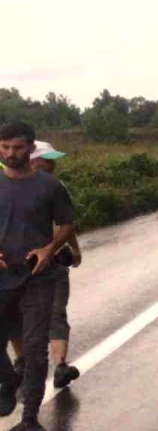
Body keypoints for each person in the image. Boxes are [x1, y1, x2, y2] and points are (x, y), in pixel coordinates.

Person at [0, 122, 77, 431]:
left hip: (37, 276)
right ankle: (7, 382)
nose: (10, 154)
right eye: (4, 147)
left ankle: (30, 416)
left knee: (34, 349)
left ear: (31, 148)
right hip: (2, 276)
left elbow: (68, 223)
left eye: (17, 147)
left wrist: (50, 249)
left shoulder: (50, 186)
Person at [8, 141, 81, 392]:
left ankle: (60, 365)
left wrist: (72, 247)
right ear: (31, 158)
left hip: (51, 261)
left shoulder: (54, 187)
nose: (52, 164)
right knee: (14, 316)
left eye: (53, 160)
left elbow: (66, 223)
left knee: (56, 312)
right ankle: (21, 362)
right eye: (46, 159)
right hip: (13, 264)